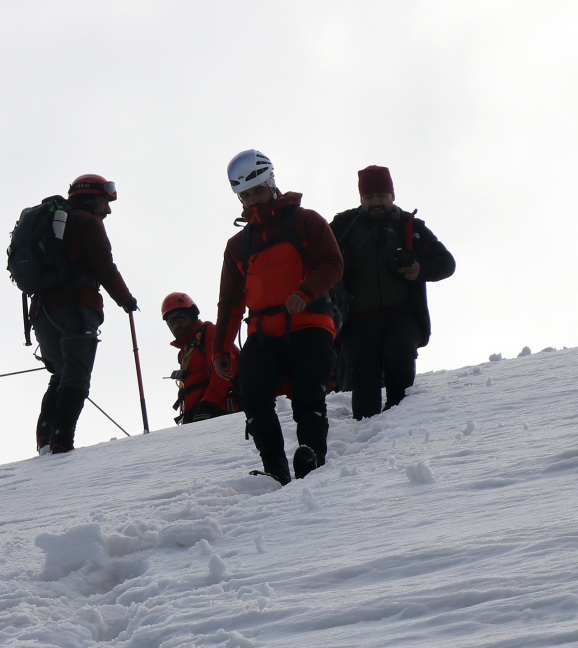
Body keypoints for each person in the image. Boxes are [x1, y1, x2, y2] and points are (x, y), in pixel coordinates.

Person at [212, 150, 344, 484]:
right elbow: (229, 302)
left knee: (308, 395)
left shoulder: (306, 221)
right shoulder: (237, 245)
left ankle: (311, 458)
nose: (252, 200)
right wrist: (221, 348)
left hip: (311, 323)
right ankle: (276, 471)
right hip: (262, 334)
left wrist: (304, 292)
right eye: (245, 195)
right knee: (254, 397)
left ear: (271, 183)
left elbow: (333, 264)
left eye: (257, 191)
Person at [330, 165, 456, 418]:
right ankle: (367, 442)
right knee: (364, 386)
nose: (375, 202)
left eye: (381, 196)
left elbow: (447, 264)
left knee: (401, 377)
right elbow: (317, 262)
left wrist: (421, 269)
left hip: (402, 316)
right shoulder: (343, 226)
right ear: (361, 198)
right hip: (357, 322)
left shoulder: (410, 226)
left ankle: (400, 435)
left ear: (392, 195)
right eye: (369, 197)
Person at [30, 174, 138, 454]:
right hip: (76, 307)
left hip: (41, 313)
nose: (108, 210)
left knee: (60, 374)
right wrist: (126, 300)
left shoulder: (54, 223)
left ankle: (45, 436)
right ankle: (62, 440)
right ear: (90, 198)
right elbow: (104, 267)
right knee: (76, 376)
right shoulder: (88, 222)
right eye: (105, 202)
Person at [162, 291, 237, 424]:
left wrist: (208, 405)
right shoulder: (186, 350)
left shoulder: (210, 333)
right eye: (170, 321)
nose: (175, 325)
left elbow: (224, 372)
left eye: (180, 318)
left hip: (220, 413)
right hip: (197, 417)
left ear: (192, 316)